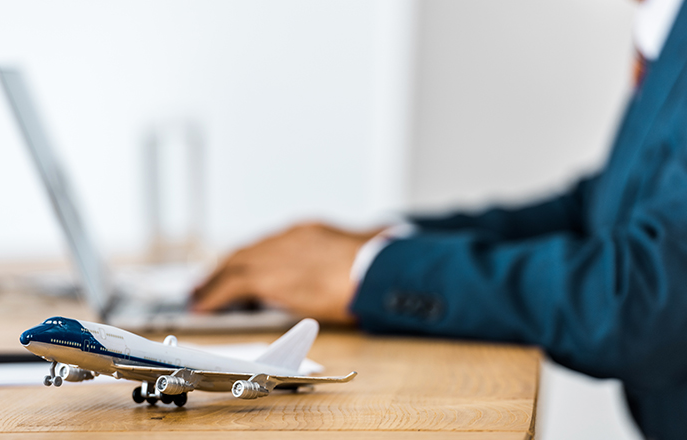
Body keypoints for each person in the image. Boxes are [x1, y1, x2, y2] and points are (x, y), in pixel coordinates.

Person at [194, 1, 687, 438]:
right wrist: (381, 244)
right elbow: (593, 210)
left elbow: (648, 305)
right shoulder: (665, 29)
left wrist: (374, 270)